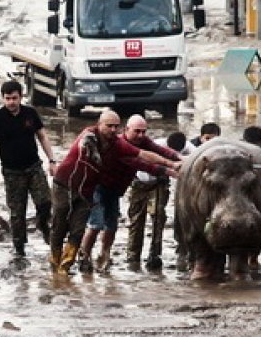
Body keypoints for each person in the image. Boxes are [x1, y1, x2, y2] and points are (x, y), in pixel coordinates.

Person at [49, 111, 179, 274]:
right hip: (70, 185)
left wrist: (174, 162)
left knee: (85, 228)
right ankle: (59, 261)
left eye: (115, 127)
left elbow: (148, 153)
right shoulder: (90, 135)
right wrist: (169, 170)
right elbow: (141, 164)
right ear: (100, 124)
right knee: (66, 225)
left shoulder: (118, 145)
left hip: (95, 190)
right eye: (109, 126)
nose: (112, 130)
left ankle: (71, 266)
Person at [0, 80, 56, 257]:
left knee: (45, 201)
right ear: (2, 98)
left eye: (14, 98)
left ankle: (42, 223)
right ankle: (19, 249)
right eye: (7, 98)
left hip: (33, 166)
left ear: (21, 97)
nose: (11, 102)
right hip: (11, 171)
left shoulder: (30, 114)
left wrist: (52, 160)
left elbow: (42, 136)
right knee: (17, 213)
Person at [127, 131, 195, 270]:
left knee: (158, 217)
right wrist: (169, 168)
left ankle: (155, 254)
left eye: (178, 151)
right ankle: (133, 256)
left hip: (159, 185)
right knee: (136, 219)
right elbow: (144, 163)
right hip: (140, 182)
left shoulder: (190, 148)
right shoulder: (157, 145)